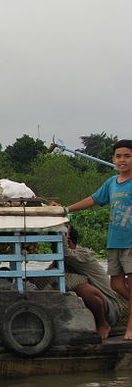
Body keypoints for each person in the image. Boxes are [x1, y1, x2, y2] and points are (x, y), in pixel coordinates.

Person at [67, 139, 132, 339]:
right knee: (116, 286)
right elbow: (93, 200)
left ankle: (130, 328)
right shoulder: (111, 183)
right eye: (118, 156)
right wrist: (66, 209)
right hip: (114, 241)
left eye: (127, 156)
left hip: (131, 242)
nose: (122, 160)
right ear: (113, 158)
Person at [61, 225, 121, 338]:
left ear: (67, 242)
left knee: (83, 288)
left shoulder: (83, 255)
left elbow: (66, 253)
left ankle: (103, 324)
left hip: (109, 306)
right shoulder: (62, 260)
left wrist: (64, 233)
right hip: (85, 306)